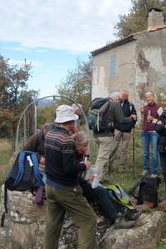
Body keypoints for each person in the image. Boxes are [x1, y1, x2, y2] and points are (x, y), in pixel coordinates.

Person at [43, 105, 97, 249]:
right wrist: (84, 165)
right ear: (71, 121)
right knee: (88, 220)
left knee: (52, 224)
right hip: (65, 188)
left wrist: (72, 138)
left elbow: (54, 159)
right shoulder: (67, 140)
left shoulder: (50, 134)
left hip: (49, 185)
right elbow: (69, 169)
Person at [75, 131, 136, 229]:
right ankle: (117, 219)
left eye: (87, 146)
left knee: (106, 190)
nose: (86, 148)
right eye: (84, 146)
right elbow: (72, 173)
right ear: (76, 145)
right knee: (100, 191)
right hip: (74, 186)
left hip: (80, 182)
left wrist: (87, 177)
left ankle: (125, 213)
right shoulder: (71, 155)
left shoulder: (79, 154)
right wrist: (83, 170)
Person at [94, 91, 136, 182]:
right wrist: (131, 118)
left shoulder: (105, 103)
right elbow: (121, 120)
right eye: (120, 99)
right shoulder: (114, 104)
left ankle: (102, 177)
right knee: (102, 158)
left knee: (101, 156)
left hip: (97, 133)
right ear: (116, 98)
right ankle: (96, 180)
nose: (121, 101)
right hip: (107, 134)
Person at [109, 89, 137, 172]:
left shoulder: (130, 105)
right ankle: (108, 166)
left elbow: (134, 117)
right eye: (120, 95)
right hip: (117, 129)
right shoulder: (116, 103)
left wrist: (130, 125)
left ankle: (122, 167)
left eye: (122, 95)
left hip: (127, 131)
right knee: (113, 148)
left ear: (126, 96)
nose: (120, 96)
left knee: (124, 149)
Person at [140, 91, 159, 177]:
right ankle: (145, 169)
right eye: (146, 97)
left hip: (154, 132)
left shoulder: (159, 108)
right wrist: (141, 113)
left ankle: (154, 172)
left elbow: (160, 122)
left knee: (154, 153)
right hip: (144, 132)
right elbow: (143, 120)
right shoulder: (144, 108)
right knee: (145, 153)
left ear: (153, 97)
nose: (148, 99)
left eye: (149, 97)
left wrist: (152, 119)